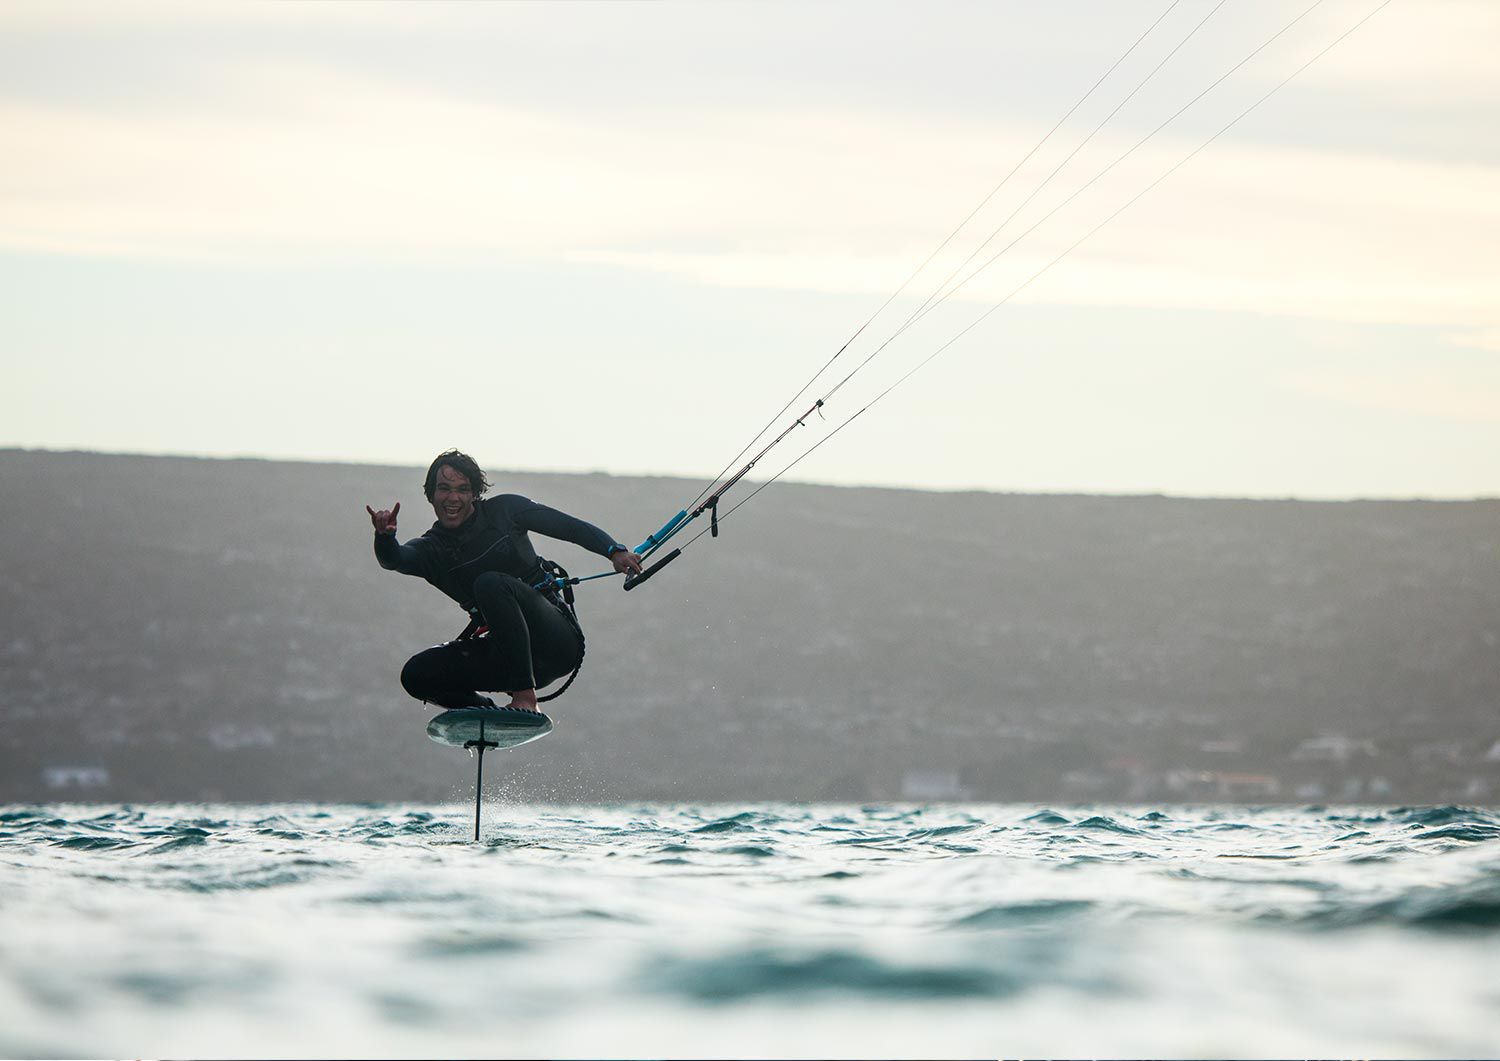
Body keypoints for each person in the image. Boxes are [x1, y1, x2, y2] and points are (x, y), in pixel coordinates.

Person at [366, 449, 642, 714]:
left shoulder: (505, 511)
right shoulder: (431, 549)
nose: (453, 497)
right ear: (431, 494)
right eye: (445, 488)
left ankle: (525, 697)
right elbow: (395, 560)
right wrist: (385, 537)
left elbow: (569, 527)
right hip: (509, 659)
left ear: (474, 494)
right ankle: (483, 713)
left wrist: (614, 551)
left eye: (463, 489)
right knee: (416, 675)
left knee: (490, 583)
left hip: (555, 643)